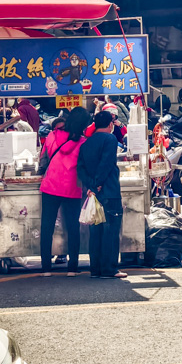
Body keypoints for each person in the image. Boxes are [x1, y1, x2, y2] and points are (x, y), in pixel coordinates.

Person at [39, 106, 91, 275]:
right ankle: (72, 268)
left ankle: (46, 268)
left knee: (47, 227)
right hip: (71, 188)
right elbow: (84, 168)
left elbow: (43, 159)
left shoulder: (52, 135)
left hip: (50, 185)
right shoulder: (83, 142)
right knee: (72, 227)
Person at [78, 110, 126, 279]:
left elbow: (81, 168)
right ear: (110, 124)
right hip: (109, 191)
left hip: (93, 193)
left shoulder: (86, 144)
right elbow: (106, 163)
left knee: (96, 230)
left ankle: (95, 269)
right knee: (111, 230)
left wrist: (91, 185)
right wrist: (98, 184)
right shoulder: (110, 139)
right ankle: (109, 269)